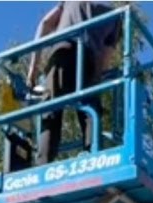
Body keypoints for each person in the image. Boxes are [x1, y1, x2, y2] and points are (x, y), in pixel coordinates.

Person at [26, 1, 122, 167]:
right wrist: (94, 82)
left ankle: (43, 162)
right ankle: (93, 155)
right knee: (90, 111)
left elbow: (46, 23)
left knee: (52, 108)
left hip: (62, 52)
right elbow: (104, 58)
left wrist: (33, 69)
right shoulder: (115, 17)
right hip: (89, 59)